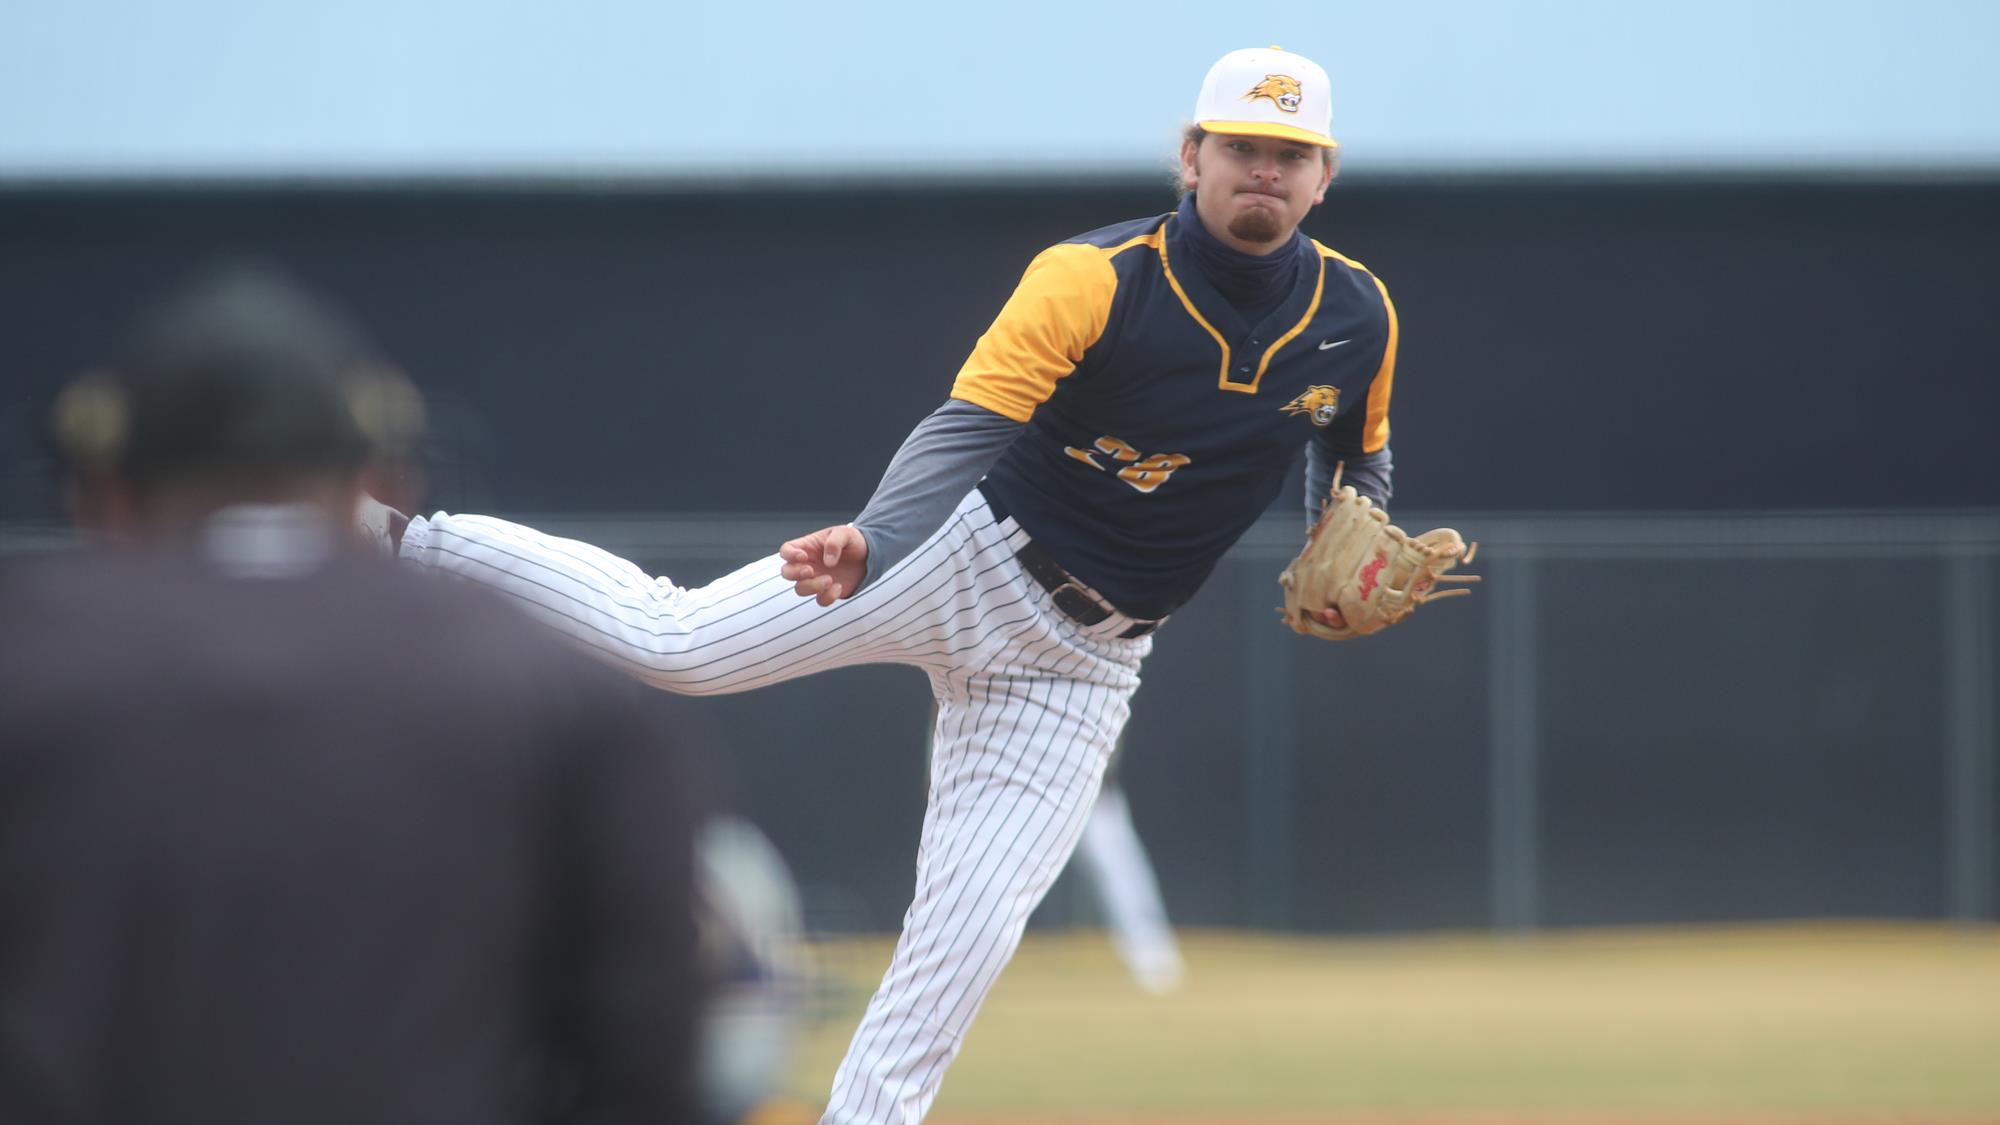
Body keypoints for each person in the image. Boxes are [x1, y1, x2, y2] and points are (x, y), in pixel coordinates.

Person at [382, 45, 1397, 1122]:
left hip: (1083, 667)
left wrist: (1350, 526)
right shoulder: (1093, 278)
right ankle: (406, 541)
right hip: (961, 555)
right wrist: (877, 538)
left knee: (957, 950)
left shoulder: (1358, 316)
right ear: (1189, 156)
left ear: (1322, 177)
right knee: (675, 646)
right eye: (1241, 145)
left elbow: (1358, 453)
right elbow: (965, 427)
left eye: (1290, 153)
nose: (1263, 170)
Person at [0, 266, 707, 1124]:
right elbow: (645, 1040)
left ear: (102, 496)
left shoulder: (26, 659)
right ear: (383, 482)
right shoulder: (545, 689)